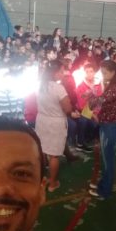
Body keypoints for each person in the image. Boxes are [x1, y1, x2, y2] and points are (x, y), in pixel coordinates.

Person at [88, 61, 116, 199]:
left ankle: (105, 191)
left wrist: (90, 94)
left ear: (113, 72)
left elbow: (96, 103)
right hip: (108, 123)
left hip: (111, 126)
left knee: (108, 160)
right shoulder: (114, 84)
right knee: (107, 158)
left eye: (105, 73)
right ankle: (103, 183)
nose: (103, 75)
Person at [35, 60, 72, 192]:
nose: (64, 74)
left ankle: (40, 179)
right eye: (62, 71)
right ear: (55, 73)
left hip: (41, 120)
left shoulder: (40, 85)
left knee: (43, 150)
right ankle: (52, 183)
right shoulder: (58, 88)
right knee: (54, 155)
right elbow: (67, 108)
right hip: (55, 122)